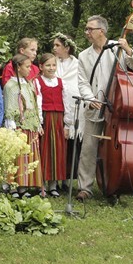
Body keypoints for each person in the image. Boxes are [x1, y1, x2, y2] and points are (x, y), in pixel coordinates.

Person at [75, 15, 133, 201]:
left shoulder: (117, 47)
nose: (87, 32)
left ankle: (114, 186)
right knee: (88, 149)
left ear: (101, 31)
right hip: (94, 108)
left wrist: (128, 50)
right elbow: (82, 83)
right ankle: (85, 187)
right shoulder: (83, 55)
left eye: (90, 29)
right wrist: (89, 98)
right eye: (86, 29)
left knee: (115, 151)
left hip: (118, 109)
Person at [3, 54, 43, 198]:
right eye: (27, 66)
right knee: (17, 157)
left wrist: (38, 123)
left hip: (29, 125)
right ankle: (13, 186)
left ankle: (24, 186)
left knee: (28, 156)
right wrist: (11, 124)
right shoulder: (10, 86)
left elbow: (33, 103)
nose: (29, 69)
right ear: (18, 67)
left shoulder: (28, 83)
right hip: (18, 125)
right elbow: (9, 106)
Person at [36, 53, 71, 197]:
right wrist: (39, 122)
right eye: (48, 65)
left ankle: (53, 184)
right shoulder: (38, 82)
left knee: (57, 150)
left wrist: (67, 124)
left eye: (54, 65)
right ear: (41, 67)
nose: (51, 68)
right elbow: (37, 102)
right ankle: (42, 184)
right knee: (44, 150)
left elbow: (67, 104)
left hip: (58, 119)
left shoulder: (61, 83)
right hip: (46, 117)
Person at [52, 33, 83, 190]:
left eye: (57, 45)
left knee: (71, 146)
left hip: (72, 108)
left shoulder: (77, 64)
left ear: (67, 47)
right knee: (56, 143)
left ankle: (67, 179)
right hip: (55, 108)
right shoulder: (52, 63)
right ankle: (54, 178)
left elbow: (78, 84)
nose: (54, 48)